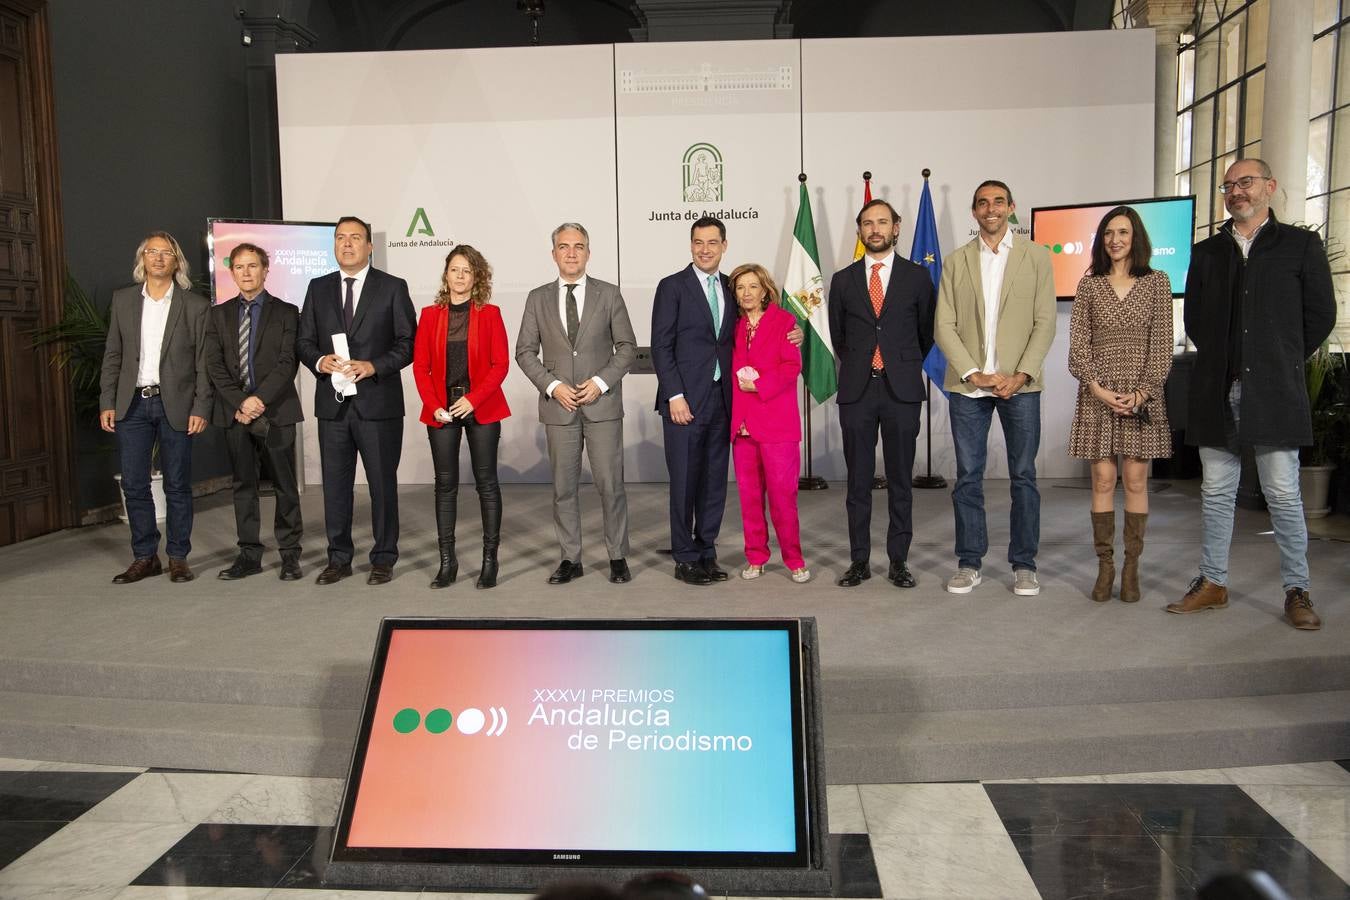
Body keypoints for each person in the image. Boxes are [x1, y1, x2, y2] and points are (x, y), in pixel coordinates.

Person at [1168, 158, 1336, 630]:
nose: (1236, 191)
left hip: (1274, 390)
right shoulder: (1207, 252)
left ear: (1270, 186)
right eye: (1229, 185)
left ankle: (1296, 590)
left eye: (1246, 182)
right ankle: (1213, 582)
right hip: (1216, 389)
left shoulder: (1300, 246)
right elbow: (1197, 319)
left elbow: (1320, 314)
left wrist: (1278, 357)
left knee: (1283, 494)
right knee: (1217, 493)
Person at [934, 179, 1057, 596]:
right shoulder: (956, 261)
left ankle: (1024, 563)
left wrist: (1020, 374)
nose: (991, 209)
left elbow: (1045, 322)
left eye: (998, 202)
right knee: (968, 476)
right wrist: (973, 373)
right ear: (974, 212)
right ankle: (969, 562)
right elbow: (944, 325)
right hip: (969, 387)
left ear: (1011, 207)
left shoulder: (1036, 257)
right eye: (983, 203)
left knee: (1023, 475)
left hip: (1020, 386)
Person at [296, 216, 417, 586]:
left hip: (377, 404)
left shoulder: (392, 288)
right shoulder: (317, 288)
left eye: (355, 238)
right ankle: (339, 558)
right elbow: (303, 341)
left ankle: (383, 557)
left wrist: (373, 365)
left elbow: (407, 343)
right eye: (340, 238)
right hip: (333, 405)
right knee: (334, 486)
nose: (347, 244)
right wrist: (320, 361)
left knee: (382, 484)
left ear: (370, 246)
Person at [515, 222, 637, 585]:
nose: (571, 253)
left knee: (611, 485)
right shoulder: (537, 298)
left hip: (602, 406)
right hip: (560, 408)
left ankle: (617, 556)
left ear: (588, 252)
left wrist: (600, 382)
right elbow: (524, 352)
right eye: (564, 247)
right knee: (563, 488)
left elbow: (627, 347)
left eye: (578, 246)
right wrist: (553, 386)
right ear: (553, 253)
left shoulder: (609, 294)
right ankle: (571, 558)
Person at [827, 199, 936, 589]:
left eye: (882, 222)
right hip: (857, 389)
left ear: (897, 227)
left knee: (900, 480)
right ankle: (859, 560)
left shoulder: (918, 278)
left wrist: (899, 364)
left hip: (901, 389)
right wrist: (864, 365)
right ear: (859, 231)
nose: (875, 229)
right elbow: (839, 336)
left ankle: (898, 561)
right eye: (868, 223)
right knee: (857, 481)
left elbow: (926, 333)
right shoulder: (843, 280)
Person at [1067, 207, 1174, 603]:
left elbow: (1162, 346)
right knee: (1102, 481)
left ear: (1136, 238)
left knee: (1134, 481)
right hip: (1097, 395)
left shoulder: (1157, 283)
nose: (1115, 240)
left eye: (1123, 232)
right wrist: (1096, 388)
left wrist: (1142, 393)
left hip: (1141, 397)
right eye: (1109, 233)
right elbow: (1078, 344)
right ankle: (1105, 567)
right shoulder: (1089, 285)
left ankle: (1131, 569)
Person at [99, 231, 212, 584]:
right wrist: (107, 400)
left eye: (166, 253)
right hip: (132, 404)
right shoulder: (123, 300)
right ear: (142, 259)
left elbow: (203, 363)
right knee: (134, 483)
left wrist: (202, 407)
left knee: (177, 485)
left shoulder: (194, 305)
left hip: (175, 404)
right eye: (152, 252)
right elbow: (113, 355)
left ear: (176, 261)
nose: (159, 258)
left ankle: (178, 556)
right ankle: (145, 557)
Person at [203, 243, 304, 581]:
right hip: (235, 414)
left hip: (277, 411)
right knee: (243, 485)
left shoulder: (288, 312)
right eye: (239, 267)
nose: (246, 273)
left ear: (265, 270)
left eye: (252, 266)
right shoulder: (217, 315)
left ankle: (290, 554)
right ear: (232, 273)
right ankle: (249, 554)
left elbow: (287, 362)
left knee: (284, 485)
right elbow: (214, 365)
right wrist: (240, 402)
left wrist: (258, 400)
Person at [412, 245, 510, 590]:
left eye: (467, 271)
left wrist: (473, 398)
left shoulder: (491, 313)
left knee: (486, 484)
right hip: (441, 409)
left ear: (476, 277)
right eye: (455, 269)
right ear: (446, 274)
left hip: (480, 407)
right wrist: (433, 403)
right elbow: (420, 367)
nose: (460, 276)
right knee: (445, 486)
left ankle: (489, 560)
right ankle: (447, 562)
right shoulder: (428, 315)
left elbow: (501, 365)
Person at [728, 263, 807, 583]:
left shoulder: (785, 321)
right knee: (748, 497)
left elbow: (792, 367)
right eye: (740, 287)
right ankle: (756, 557)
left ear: (765, 290)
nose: (746, 293)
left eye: (752, 287)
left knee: (782, 497)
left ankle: (794, 559)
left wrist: (760, 384)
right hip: (742, 427)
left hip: (776, 425)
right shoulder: (733, 326)